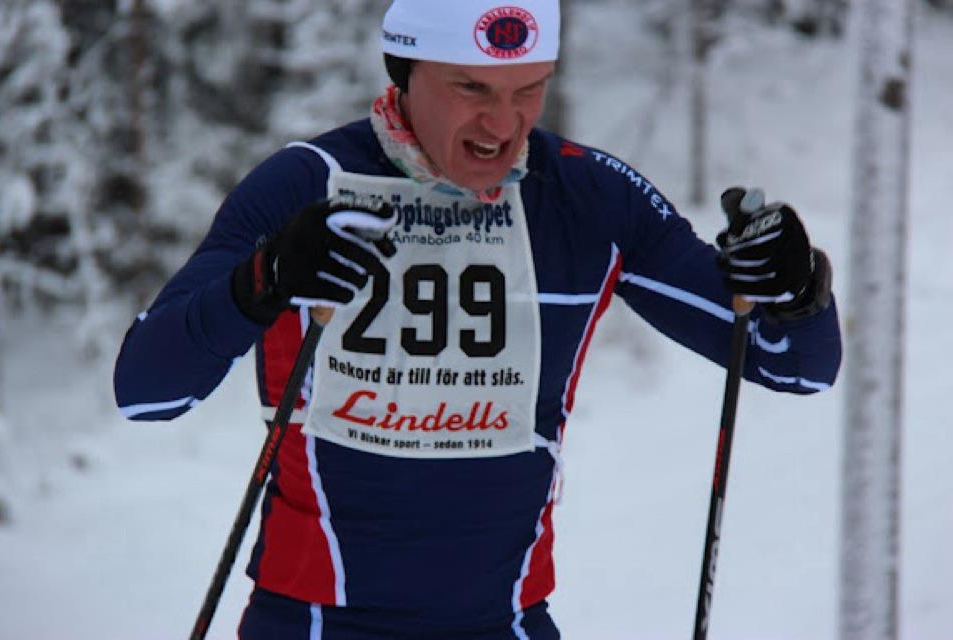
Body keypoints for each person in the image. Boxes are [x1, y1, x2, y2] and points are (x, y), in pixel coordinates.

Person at [114, 1, 842, 638]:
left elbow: (797, 365)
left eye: (530, 89)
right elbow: (145, 390)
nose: (503, 123)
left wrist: (792, 282)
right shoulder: (306, 183)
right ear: (405, 71)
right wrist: (264, 279)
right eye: (471, 88)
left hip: (505, 623)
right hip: (312, 623)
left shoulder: (589, 198)